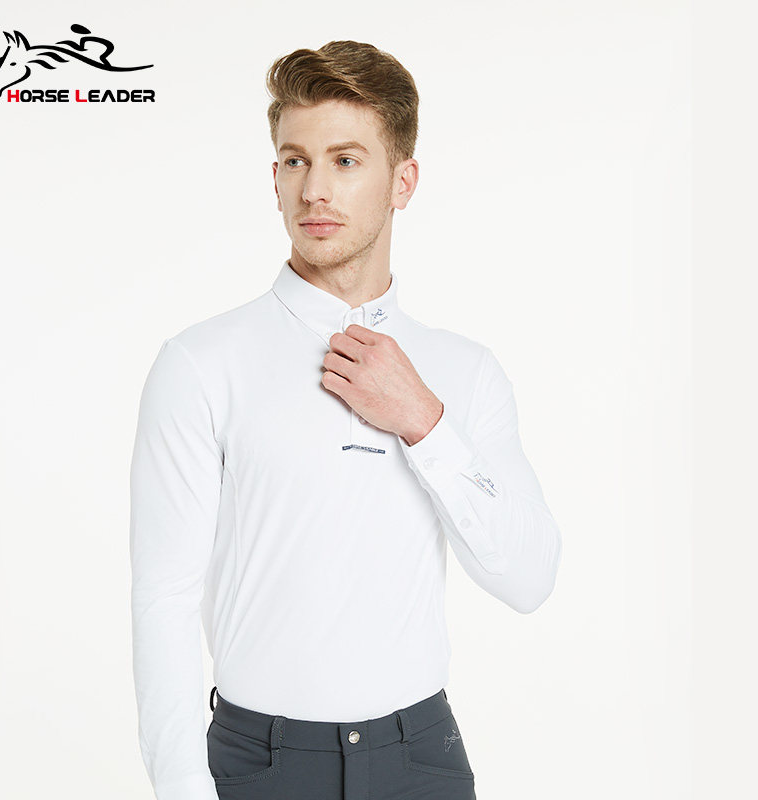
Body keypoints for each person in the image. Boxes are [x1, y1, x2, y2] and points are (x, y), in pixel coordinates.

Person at [129, 39, 562, 800]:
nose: (315, 190)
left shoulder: (464, 371)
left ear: (403, 181)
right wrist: (183, 788)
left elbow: (529, 578)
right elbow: (163, 598)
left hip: (420, 758)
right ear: (274, 178)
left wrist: (423, 420)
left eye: (346, 161)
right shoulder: (200, 363)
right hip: (259, 762)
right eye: (295, 161)